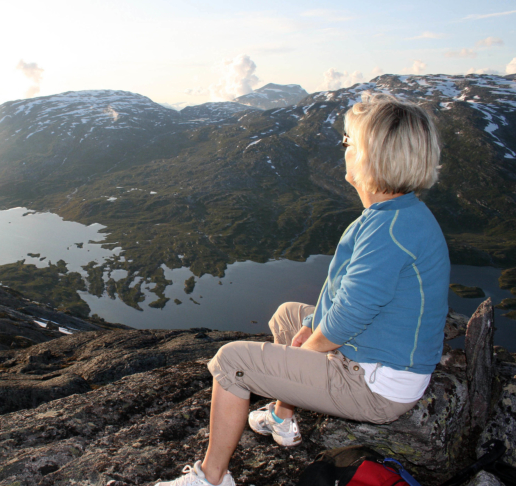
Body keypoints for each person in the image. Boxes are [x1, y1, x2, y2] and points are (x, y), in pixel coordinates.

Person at [155, 93, 450, 486]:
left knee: (229, 363)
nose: (342, 148)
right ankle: (283, 417)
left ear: (371, 156)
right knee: (289, 315)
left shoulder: (388, 231)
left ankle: (212, 478)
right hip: (381, 358)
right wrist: (311, 324)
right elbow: (343, 293)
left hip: (377, 384)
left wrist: (306, 351)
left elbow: (349, 315)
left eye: (349, 141)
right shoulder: (397, 215)